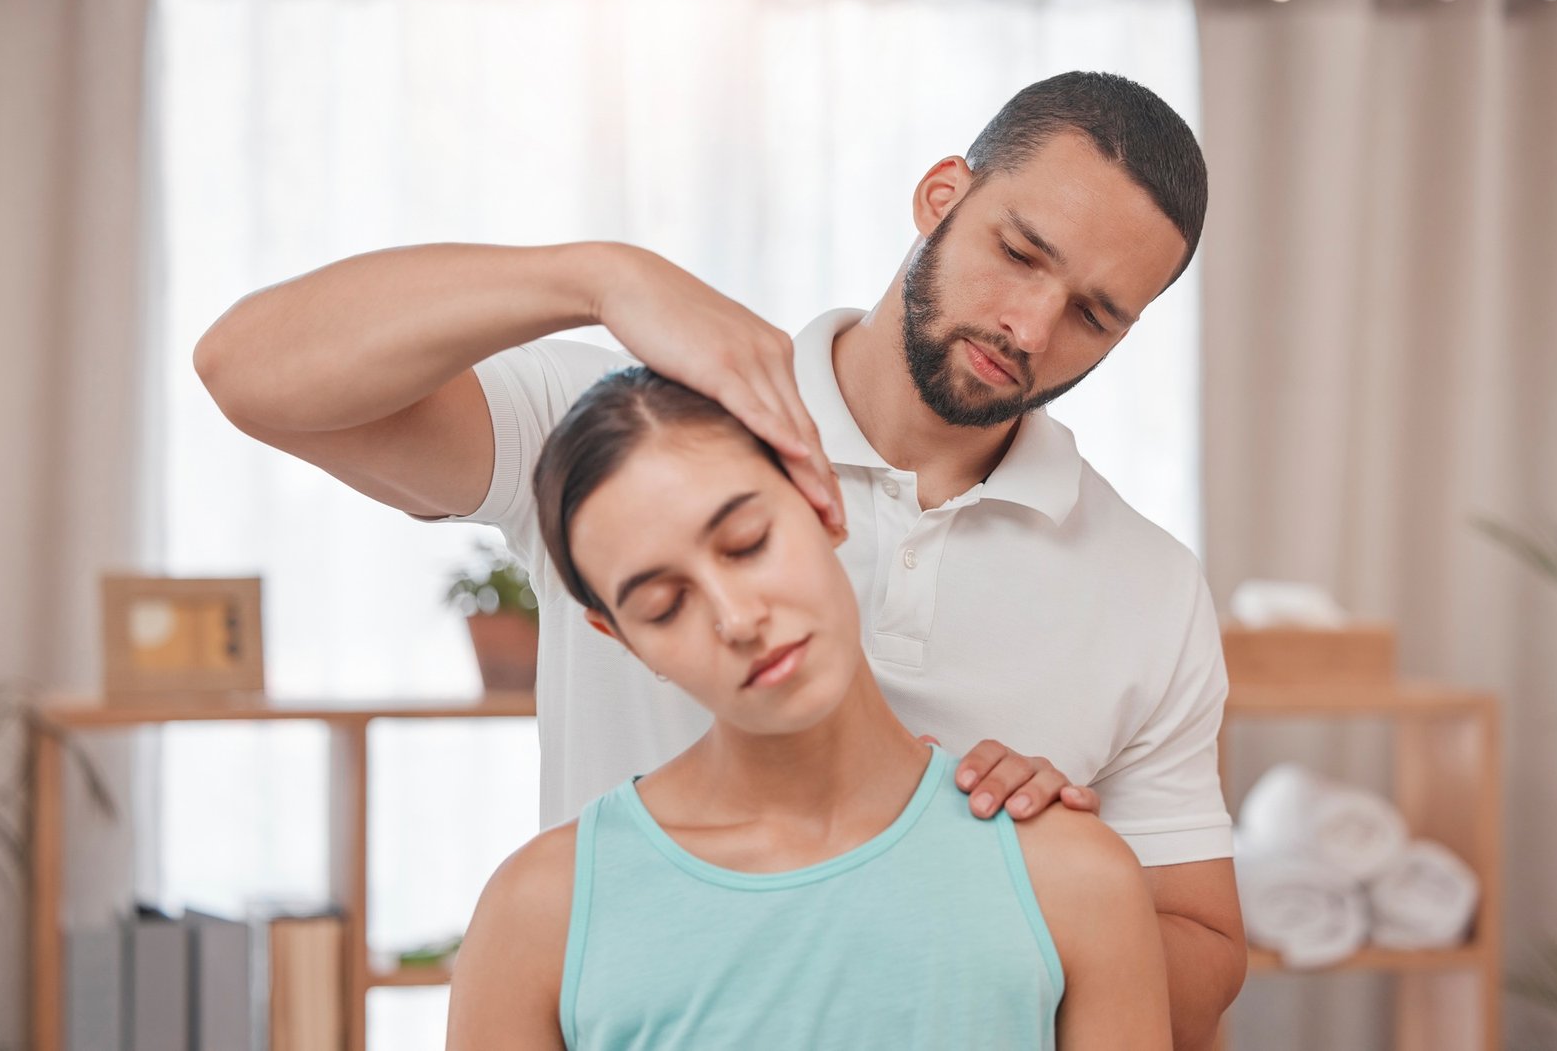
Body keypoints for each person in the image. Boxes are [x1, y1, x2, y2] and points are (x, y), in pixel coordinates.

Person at [194, 71, 1246, 1047]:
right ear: (940, 194)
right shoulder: (633, 441)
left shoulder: (1144, 588)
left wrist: (1028, 885)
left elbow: (1198, 953)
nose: (1029, 324)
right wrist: (600, 276)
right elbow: (249, 372)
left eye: (1094, 314)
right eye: (1020, 252)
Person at [444, 365, 1172, 1049]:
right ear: (623, 639)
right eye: (665, 606)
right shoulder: (540, 912)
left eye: (747, 543)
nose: (737, 618)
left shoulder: (1071, 877)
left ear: (820, 497)